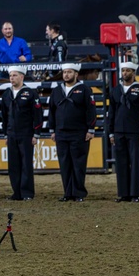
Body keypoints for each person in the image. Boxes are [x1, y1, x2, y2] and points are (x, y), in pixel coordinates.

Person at [107, 61, 139, 203]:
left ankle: (135, 194)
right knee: (121, 163)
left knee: (135, 163)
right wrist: (111, 133)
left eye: (128, 71)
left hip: (134, 133)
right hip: (118, 133)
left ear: (133, 73)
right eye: (123, 71)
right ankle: (123, 193)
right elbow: (111, 113)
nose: (125, 73)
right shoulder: (116, 90)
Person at [47, 62, 95, 202]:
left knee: (78, 164)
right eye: (64, 72)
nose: (66, 75)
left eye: (69, 72)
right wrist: (52, 130)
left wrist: (90, 129)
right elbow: (51, 111)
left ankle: (78, 193)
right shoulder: (57, 91)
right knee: (65, 164)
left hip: (79, 133)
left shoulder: (85, 90)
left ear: (76, 74)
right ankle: (68, 193)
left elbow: (91, 110)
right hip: (61, 133)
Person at [2, 65, 42, 200]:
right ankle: (16, 192)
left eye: (14, 76)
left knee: (26, 164)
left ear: (22, 77)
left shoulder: (30, 93)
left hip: (26, 134)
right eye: (10, 76)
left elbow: (37, 114)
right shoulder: (6, 94)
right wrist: (5, 133)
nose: (11, 78)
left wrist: (36, 133)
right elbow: (4, 115)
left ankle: (27, 193)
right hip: (11, 134)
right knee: (13, 165)